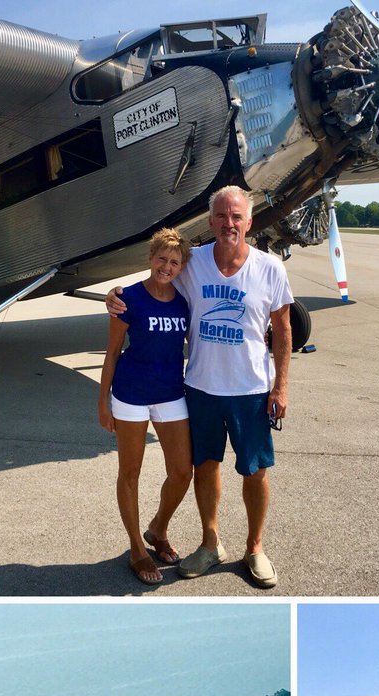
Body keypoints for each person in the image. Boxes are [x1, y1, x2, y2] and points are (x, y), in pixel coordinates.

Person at [108, 185, 293, 587]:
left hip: (251, 390)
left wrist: (280, 387)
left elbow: (282, 329)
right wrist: (116, 295)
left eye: (237, 217)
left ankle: (255, 548)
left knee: (255, 471)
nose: (229, 224)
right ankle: (211, 543)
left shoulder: (270, 269)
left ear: (249, 221)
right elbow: (158, 276)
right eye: (222, 216)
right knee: (204, 467)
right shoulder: (194, 264)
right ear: (210, 222)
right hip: (202, 388)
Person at [98, 229, 194, 586]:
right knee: (130, 473)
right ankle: (136, 548)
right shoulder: (128, 299)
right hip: (130, 396)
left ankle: (158, 528)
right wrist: (103, 400)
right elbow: (111, 353)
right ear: (150, 258)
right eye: (161, 259)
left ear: (181, 267)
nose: (166, 267)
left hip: (171, 393)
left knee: (183, 471)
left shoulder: (184, 301)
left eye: (174, 262)